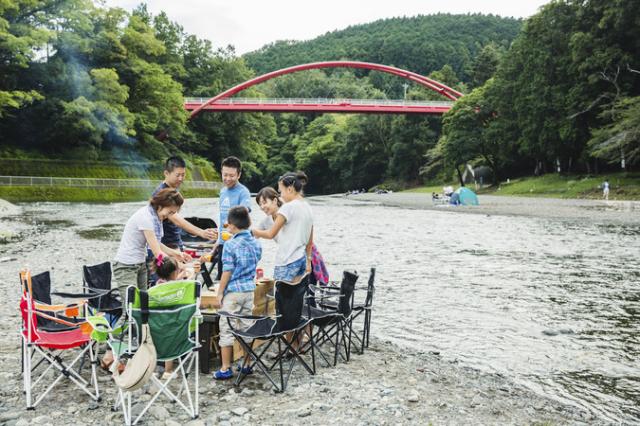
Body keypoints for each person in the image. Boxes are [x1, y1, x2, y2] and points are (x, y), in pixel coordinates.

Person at [103, 189, 191, 370]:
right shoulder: (145, 217)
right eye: (171, 211)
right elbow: (157, 252)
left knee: (143, 309)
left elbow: (158, 244)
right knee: (129, 311)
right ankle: (110, 352)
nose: (171, 215)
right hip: (125, 266)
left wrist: (177, 254)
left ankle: (137, 353)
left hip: (140, 266)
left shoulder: (155, 218)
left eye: (174, 212)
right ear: (161, 205)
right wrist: (179, 266)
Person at [211, 206, 262, 380]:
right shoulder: (256, 242)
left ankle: (226, 368)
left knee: (226, 328)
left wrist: (219, 292)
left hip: (233, 292)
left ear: (231, 225)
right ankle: (246, 364)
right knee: (246, 327)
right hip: (249, 291)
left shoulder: (230, 244)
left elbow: (227, 271)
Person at [255, 186, 328, 285]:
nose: (262, 207)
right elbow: (253, 237)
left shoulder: (289, 211)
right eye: (260, 204)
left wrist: (308, 260)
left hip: (301, 256)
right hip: (286, 259)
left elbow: (309, 230)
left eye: (264, 202)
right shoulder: (266, 222)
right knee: (289, 292)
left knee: (296, 291)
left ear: (275, 200)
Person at [252, 172, 313, 282]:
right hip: (300, 260)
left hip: (287, 261)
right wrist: (308, 260)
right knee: (296, 296)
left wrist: (253, 231)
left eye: (281, 191)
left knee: (281, 298)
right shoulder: (307, 206)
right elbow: (310, 237)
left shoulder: (288, 208)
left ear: (289, 189)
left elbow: (271, 234)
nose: (281, 196)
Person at [153, 254, 200, 380]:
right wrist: (192, 274)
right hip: (173, 323)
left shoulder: (157, 285)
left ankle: (152, 369)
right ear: (174, 273)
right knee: (171, 341)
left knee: (159, 341)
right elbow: (186, 284)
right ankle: (168, 371)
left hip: (157, 325)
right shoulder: (178, 287)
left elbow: (173, 282)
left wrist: (182, 273)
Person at [211, 156, 252, 280]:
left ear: (239, 175)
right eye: (225, 175)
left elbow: (244, 212)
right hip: (224, 242)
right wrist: (218, 240)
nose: (227, 178)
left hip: (237, 243)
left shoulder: (243, 192)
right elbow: (222, 218)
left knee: (233, 278)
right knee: (220, 278)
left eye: (231, 175)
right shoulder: (223, 191)